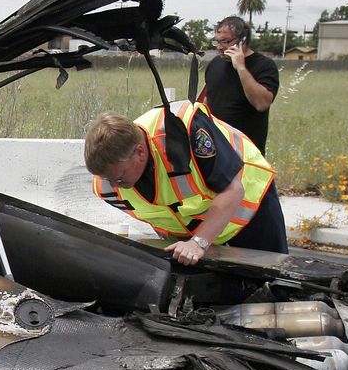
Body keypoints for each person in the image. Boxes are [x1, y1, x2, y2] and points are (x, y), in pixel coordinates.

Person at [84, 103, 287, 265]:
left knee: (275, 279)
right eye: (107, 179)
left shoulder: (185, 131)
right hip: (198, 233)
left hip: (252, 206)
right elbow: (160, 215)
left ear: (139, 152)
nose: (115, 185)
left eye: (119, 178)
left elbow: (233, 191)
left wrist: (199, 243)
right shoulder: (107, 185)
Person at [202, 16, 279, 154]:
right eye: (217, 42)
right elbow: (207, 101)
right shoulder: (214, 64)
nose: (219, 47)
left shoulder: (264, 66)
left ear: (242, 40)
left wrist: (241, 67)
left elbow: (262, 103)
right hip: (216, 152)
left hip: (247, 154)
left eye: (225, 42)